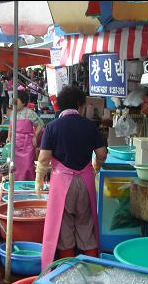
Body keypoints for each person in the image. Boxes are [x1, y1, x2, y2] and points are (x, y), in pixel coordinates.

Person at [35, 85, 107, 269]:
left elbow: (43, 158)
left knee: (64, 227)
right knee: (86, 224)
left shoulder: (52, 127)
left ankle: (67, 271)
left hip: (62, 184)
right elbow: (102, 153)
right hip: (85, 182)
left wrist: (38, 181)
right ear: (78, 105)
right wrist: (95, 168)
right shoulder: (90, 126)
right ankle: (93, 270)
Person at [7, 90, 44, 181]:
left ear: (23, 102)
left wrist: (35, 136)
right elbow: (10, 127)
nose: (14, 102)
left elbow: (40, 124)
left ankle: (28, 183)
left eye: (17, 100)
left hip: (27, 143)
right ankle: (15, 183)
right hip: (15, 143)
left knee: (27, 165)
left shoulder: (30, 113)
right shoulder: (12, 113)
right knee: (15, 165)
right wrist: (8, 137)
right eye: (13, 100)